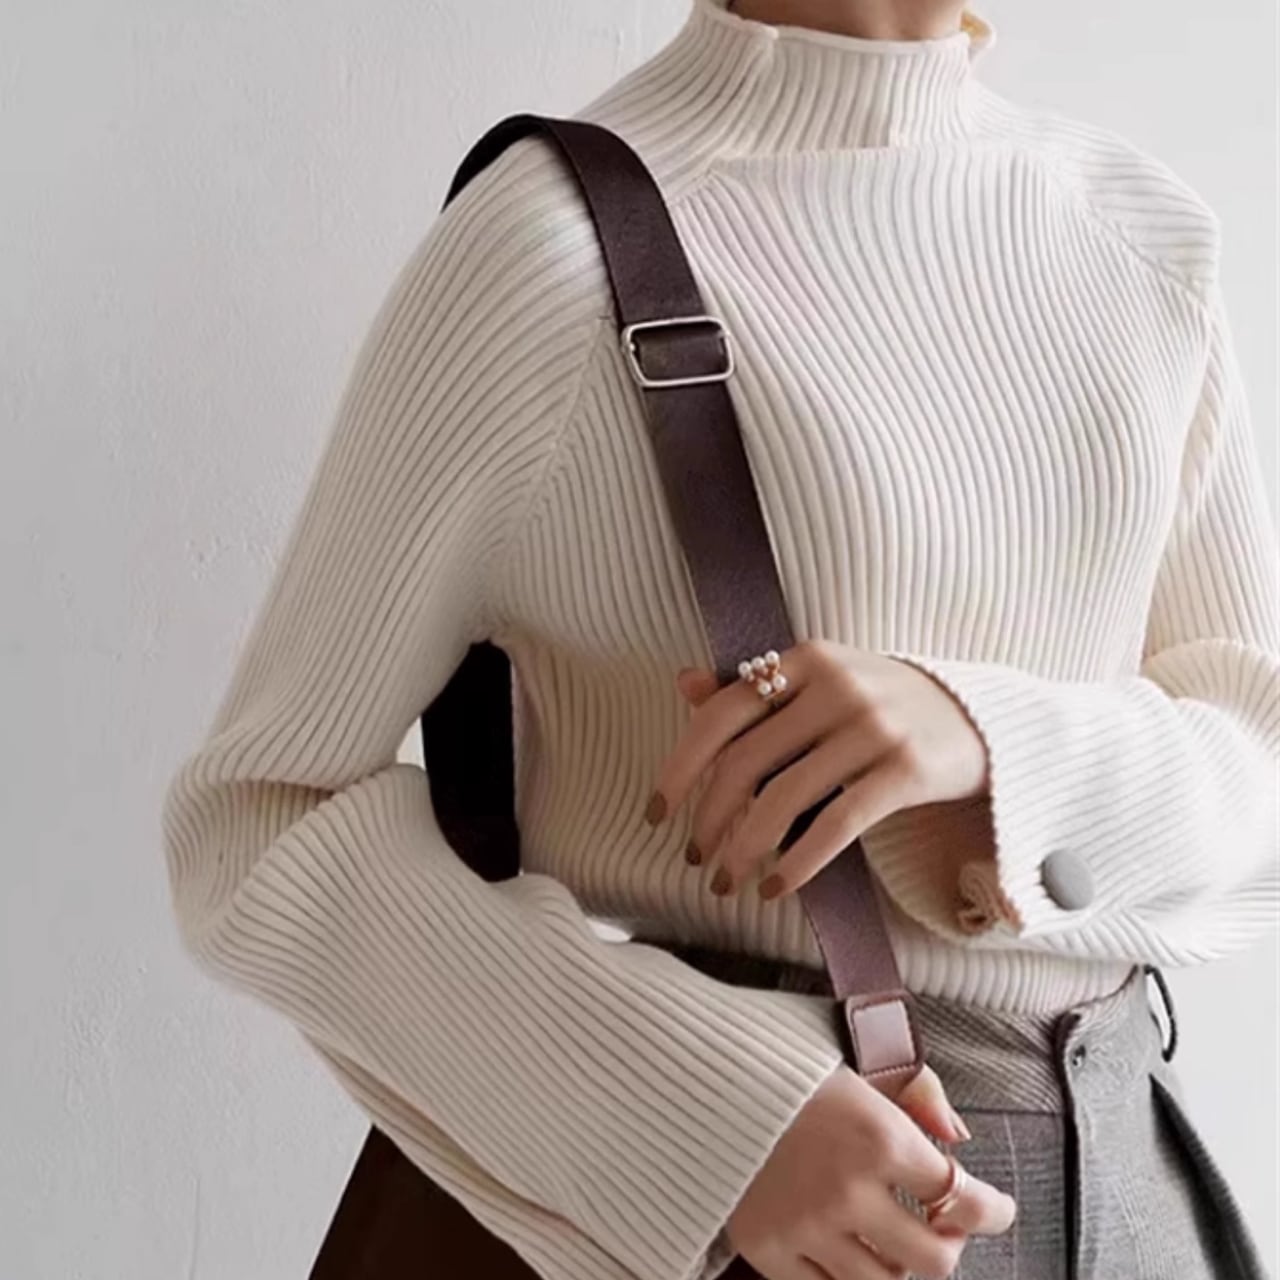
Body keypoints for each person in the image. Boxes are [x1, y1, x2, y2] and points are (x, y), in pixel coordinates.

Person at [160, 0, 1277, 1276]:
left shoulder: (1138, 232)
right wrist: (712, 1119)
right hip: (795, 1210)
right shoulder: (551, 246)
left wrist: (987, 741)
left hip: (1142, 1186)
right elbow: (256, 817)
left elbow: (1256, 750)